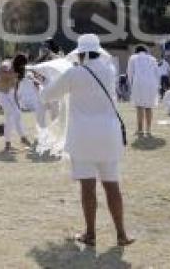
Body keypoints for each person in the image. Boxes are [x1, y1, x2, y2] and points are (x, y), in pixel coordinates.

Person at [40, 34, 134, 247]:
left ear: (80, 53)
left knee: (88, 188)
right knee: (112, 186)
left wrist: (43, 83)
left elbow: (47, 96)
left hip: (82, 136)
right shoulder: (109, 70)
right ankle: (121, 234)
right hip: (109, 135)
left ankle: (90, 233)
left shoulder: (74, 73)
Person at [0, 56, 32, 152]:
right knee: (14, 114)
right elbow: (0, 72)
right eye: (22, 65)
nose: (23, 67)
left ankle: (8, 144)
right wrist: (7, 71)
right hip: (1, 93)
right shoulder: (8, 63)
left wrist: (17, 103)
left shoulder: (19, 72)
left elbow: (14, 89)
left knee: (12, 117)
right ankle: (22, 138)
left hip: (9, 95)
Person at [127, 46, 159, 137]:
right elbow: (157, 73)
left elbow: (130, 72)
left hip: (139, 83)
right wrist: (157, 86)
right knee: (149, 107)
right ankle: (148, 130)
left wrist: (131, 84)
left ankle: (140, 130)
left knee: (139, 106)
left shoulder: (133, 58)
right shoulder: (153, 59)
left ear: (136, 52)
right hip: (152, 83)